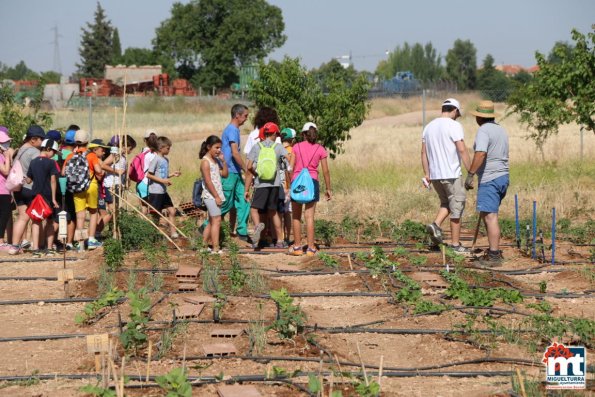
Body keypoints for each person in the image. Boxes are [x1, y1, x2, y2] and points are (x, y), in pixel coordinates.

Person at [421, 98, 472, 255]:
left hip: (436, 176)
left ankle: (435, 225)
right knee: (457, 207)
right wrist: (471, 171)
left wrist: (427, 174)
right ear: (455, 111)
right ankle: (456, 245)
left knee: (446, 204)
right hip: (451, 174)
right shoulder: (454, 125)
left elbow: (423, 153)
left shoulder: (428, 127)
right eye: (458, 113)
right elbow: (462, 150)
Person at [465, 100, 510, 266]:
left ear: (479, 117)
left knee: (491, 217)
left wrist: (470, 174)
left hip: (490, 179)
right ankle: (493, 251)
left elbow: (481, 153)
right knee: (489, 215)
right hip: (503, 177)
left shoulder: (483, 130)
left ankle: (494, 256)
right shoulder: (500, 130)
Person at [288, 122, 331, 256]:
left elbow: (290, 168)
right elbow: (326, 171)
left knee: (296, 216)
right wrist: (329, 188)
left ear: (303, 134)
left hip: (297, 182)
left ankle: (297, 247)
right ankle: (311, 248)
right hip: (312, 183)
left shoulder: (296, 147)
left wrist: (291, 184)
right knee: (309, 216)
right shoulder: (320, 149)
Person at [244, 122, 288, 249]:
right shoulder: (278, 147)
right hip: (275, 184)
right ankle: (280, 241)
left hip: (260, 184)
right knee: (273, 212)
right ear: (274, 133)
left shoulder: (257, 147)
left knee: (254, 209)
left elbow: (248, 166)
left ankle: (258, 227)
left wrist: (256, 174)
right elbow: (288, 161)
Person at [63, 132, 105, 251]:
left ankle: (80, 243)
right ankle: (91, 239)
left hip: (77, 188)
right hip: (91, 186)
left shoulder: (70, 156)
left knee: (80, 215)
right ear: (87, 141)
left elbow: (63, 173)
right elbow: (98, 170)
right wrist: (101, 173)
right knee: (93, 212)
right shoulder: (91, 156)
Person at [9, 125, 45, 255]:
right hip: (30, 188)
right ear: (33, 139)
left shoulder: (20, 150)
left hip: (18, 188)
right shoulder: (34, 152)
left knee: (22, 217)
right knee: (36, 218)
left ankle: (14, 246)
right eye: (41, 139)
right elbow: (38, 170)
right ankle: (37, 247)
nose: (42, 142)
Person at [220, 104, 250, 239]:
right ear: (237, 115)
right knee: (226, 203)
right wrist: (246, 169)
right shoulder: (232, 130)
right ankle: (206, 228)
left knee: (244, 199)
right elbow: (234, 153)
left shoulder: (235, 130)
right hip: (230, 172)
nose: (246, 119)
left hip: (236, 172)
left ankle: (242, 231)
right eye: (245, 116)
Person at [26, 139, 60, 256]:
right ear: (49, 149)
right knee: (50, 222)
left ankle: (35, 249)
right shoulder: (51, 163)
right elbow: (53, 181)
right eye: (54, 152)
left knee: (36, 221)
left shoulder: (33, 162)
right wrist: (54, 198)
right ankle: (49, 248)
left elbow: (29, 179)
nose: (54, 155)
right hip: (47, 196)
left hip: (35, 195)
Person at [97, 135, 136, 235]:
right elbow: (103, 165)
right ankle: (96, 231)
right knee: (112, 212)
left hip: (118, 186)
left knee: (115, 211)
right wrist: (117, 171)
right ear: (124, 146)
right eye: (130, 148)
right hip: (111, 186)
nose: (130, 151)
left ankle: (112, 231)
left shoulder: (122, 156)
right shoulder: (116, 155)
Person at [146, 136, 180, 238]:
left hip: (163, 191)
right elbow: (149, 175)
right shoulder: (156, 159)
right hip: (155, 191)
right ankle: (151, 235)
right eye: (168, 148)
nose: (169, 150)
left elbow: (163, 175)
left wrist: (172, 175)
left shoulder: (166, 160)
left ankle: (173, 232)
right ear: (161, 148)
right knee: (155, 214)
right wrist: (163, 181)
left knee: (172, 211)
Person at [199, 135, 228, 253]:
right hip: (210, 195)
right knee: (217, 220)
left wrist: (224, 162)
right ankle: (215, 248)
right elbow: (208, 181)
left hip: (216, 195)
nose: (219, 150)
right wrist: (216, 196)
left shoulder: (215, 161)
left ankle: (203, 246)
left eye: (220, 148)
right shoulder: (205, 162)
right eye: (216, 147)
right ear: (208, 147)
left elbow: (225, 174)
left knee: (212, 221)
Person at [60, 125, 79, 250]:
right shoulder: (74, 156)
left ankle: (59, 240)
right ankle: (69, 242)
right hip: (71, 189)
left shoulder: (57, 154)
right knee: (71, 215)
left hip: (57, 188)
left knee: (60, 214)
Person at [280, 127, 296, 245]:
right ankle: (287, 237)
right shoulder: (292, 150)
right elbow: (291, 169)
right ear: (293, 140)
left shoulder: (277, 149)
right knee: (288, 213)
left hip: (278, 185)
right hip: (288, 184)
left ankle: (279, 237)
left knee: (279, 212)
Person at [136, 130, 158, 214]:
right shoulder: (154, 155)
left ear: (145, 140)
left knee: (144, 207)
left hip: (140, 182)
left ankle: (142, 224)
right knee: (155, 209)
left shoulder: (143, 152)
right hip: (149, 184)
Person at [0, 126, 14, 250]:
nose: (7, 144)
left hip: (5, 190)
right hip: (1, 190)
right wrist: (8, 157)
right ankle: (1, 241)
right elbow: (5, 171)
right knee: (3, 215)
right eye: (4, 142)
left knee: (4, 215)